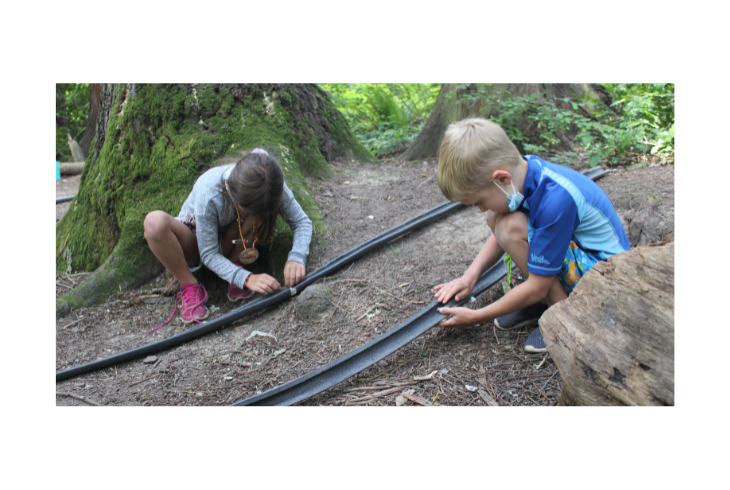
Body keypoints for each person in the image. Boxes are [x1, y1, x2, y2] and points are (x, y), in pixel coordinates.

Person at [433, 118, 629, 353]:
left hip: (606, 281)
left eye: (479, 201)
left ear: (502, 179)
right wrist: (469, 277)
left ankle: (562, 316)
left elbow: (534, 280)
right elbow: (500, 234)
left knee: (509, 226)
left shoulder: (557, 200)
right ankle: (545, 301)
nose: (481, 208)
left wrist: (476, 316)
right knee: (497, 218)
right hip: (582, 262)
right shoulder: (524, 174)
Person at [143, 148, 312, 331]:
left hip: (232, 245)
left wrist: (296, 257)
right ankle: (190, 284)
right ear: (230, 193)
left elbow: (302, 221)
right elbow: (208, 253)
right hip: (197, 243)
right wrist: (247, 279)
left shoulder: (268, 180)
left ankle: (235, 265)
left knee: (255, 212)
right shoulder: (209, 192)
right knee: (154, 223)